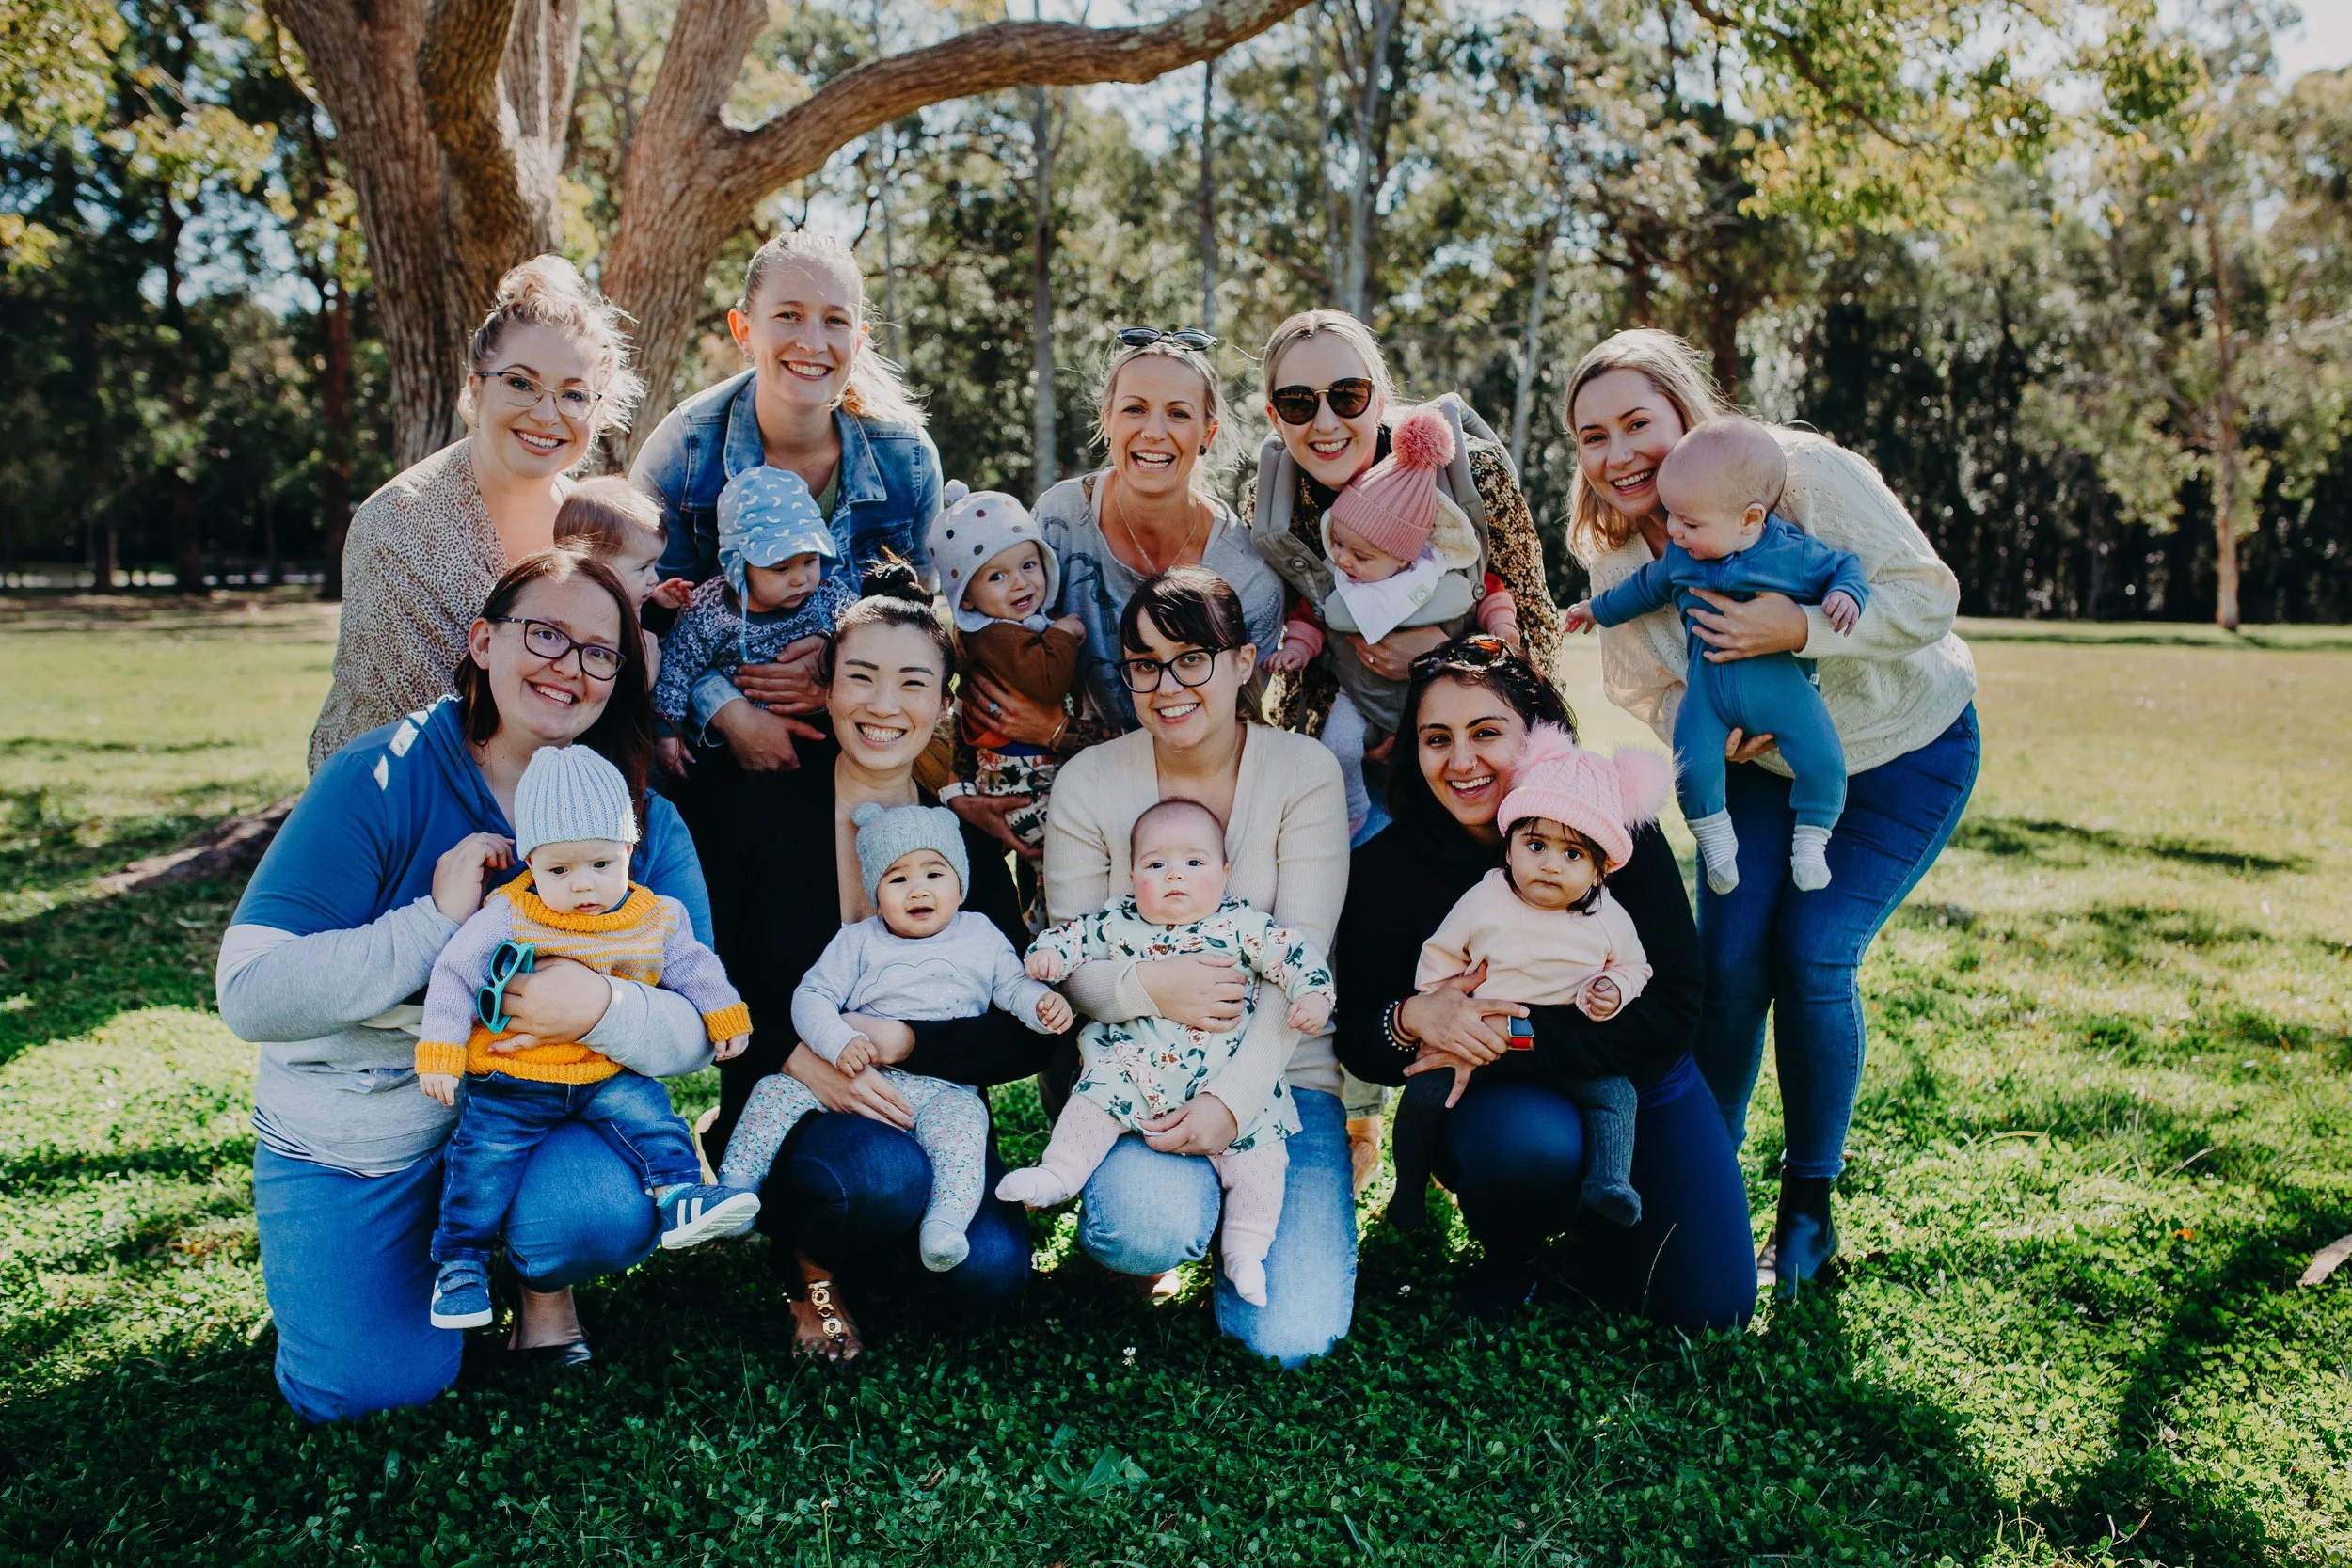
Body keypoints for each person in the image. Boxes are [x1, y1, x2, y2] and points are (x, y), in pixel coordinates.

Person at [220, 549, 713, 1419]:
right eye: (546, 634)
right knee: (370, 1388)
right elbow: (251, 992)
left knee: (594, 1211)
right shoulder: (380, 775)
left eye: (601, 652)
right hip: (366, 1126)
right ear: (484, 640)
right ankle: (362, 1271)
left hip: (532, 1115)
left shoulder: (639, 817)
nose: (571, 666)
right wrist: (434, 927)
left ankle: (533, 1276)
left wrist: (602, 1006)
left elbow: (694, 1029)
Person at [1564, 327, 1979, 1291]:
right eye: (1594, 436)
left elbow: (1927, 595)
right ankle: (1696, 1188)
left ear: (1686, 414)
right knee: (1728, 961)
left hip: (1900, 748)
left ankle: (1807, 1210)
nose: (1619, 452)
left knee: (1813, 950)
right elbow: (1636, 679)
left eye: (1638, 422)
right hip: (1759, 772)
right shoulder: (1616, 543)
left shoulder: (1799, 476)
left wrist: (1800, 628)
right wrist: (1698, 721)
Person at [1331, 634, 1756, 1331]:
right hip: (1503, 1104)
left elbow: (1676, 1001)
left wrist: (1516, 1032)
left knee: (1712, 1306)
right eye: (1437, 738)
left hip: (1634, 1072)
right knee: (1531, 1143)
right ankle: (1514, 1250)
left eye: (1486, 733)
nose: (1461, 760)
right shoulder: (1388, 870)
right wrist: (1411, 1017)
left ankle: (1603, 1215)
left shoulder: (1609, 827)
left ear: (1538, 739)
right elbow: (1361, 1035)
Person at [691, 563, 1050, 1361]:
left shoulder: (961, 845)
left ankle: (876, 1230)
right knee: (876, 1177)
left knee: (990, 1276)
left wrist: (908, 1041)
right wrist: (799, 1056)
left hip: (929, 1104)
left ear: (943, 703)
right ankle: (809, 1274)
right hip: (790, 1092)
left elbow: (1020, 1033)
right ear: (826, 687)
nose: (884, 706)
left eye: (913, 683)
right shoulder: (757, 810)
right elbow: (710, 972)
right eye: (862, 677)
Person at [1241, 308, 1563, 1190]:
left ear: (1383, 392)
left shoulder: (1461, 464)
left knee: (1483, 922)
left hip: (1473, 740)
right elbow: (1289, 625)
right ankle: (1353, 1118)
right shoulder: (1270, 491)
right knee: (1353, 923)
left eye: (1347, 394)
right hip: (1346, 736)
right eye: (1297, 402)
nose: (1325, 420)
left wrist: (1443, 674)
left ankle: (1495, 1110)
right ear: (1273, 414)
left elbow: (1526, 612)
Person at [1040, 568, 1352, 1365]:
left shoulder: (1303, 773)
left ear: (1244, 661)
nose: (1166, 684)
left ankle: (1240, 1224)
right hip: (1141, 1070)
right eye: (1144, 663)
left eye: (1192, 658)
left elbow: (1300, 961)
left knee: (1290, 1339)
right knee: (1141, 1224)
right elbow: (1073, 961)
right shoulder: (1088, 782)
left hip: (1280, 1085)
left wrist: (1229, 1101)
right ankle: (1174, 1217)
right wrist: (1147, 987)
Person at [414, 745, 758, 1329]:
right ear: (530, 864)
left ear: (629, 850)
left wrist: (724, 1013)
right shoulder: (509, 913)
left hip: (605, 1071)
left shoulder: (657, 916)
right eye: (558, 870)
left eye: (600, 865)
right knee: (481, 1161)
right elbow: (454, 974)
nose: (582, 886)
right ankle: (460, 1265)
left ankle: (680, 1198)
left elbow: (695, 968)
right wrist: (442, 1051)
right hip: (513, 1079)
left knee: (652, 1119)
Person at [958, 331, 1283, 861]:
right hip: (1071, 806)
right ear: (1106, 420)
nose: (1153, 432)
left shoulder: (1245, 576)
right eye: (1134, 408)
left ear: (1208, 432)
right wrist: (959, 786)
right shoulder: (1060, 522)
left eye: (1178, 413)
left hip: (1196, 822)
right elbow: (990, 657)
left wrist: (1059, 731)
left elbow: (1220, 747)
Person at [310, 257, 644, 769]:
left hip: (555, 812)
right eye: (520, 383)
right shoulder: (399, 525)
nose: (547, 413)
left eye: (573, 394)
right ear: (474, 388)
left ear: (596, 411)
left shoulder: (595, 526)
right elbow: (420, 734)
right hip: (397, 809)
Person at [1004, 797, 1336, 1307]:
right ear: (1132, 874)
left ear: (1226, 873)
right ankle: (1059, 1173)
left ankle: (1245, 1248)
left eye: (1194, 863)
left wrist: (1313, 994)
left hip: (1228, 1079)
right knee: (1095, 1095)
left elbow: (1294, 955)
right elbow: (1070, 938)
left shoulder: (1243, 925)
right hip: (1139, 1069)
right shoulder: (1119, 922)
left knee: (1263, 1160)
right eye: (1155, 864)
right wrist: (1049, 955)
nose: (1173, 876)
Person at [631, 231, 942, 777]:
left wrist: (835, 662)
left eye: (835, 321)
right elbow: (645, 626)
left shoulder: (907, 460)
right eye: (789, 315)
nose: (813, 341)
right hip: (717, 752)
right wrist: (725, 710)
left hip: (866, 730)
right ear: (743, 330)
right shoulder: (684, 451)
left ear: (860, 340)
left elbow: (920, 620)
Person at [712, 801, 1068, 1274]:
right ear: (876, 895)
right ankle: (737, 1190)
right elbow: (812, 995)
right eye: (897, 879)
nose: (917, 889)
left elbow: (1014, 988)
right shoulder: (858, 941)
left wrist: (1041, 1007)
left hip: (942, 1089)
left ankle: (944, 1225)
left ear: (960, 885)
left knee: (963, 1132)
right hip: (857, 1075)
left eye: (934, 874)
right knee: (773, 1093)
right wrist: (838, 1040)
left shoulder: (981, 936)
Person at [1567, 416, 1869, 894]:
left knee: (1824, 760)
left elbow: (1844, 567)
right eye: (1670, 516)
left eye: (1689, 523)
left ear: (1749, 519)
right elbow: (1643, 588)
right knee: (1692, 764)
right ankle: (1714, 838)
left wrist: (1846, 595)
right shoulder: (1683, 558)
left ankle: (1812, 841)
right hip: (1708, 694)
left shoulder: (1789, 555)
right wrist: (1596, 609)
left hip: (1783, 692)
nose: (1674, 532)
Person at [1391, 724, 1665, 1232]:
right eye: (1535, 844)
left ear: (1600, 871)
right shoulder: (1486, 899)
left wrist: (1613, 989)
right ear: (1510, 845)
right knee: (1427, 1091)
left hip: (1571, 1048)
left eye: (1573, 855)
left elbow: (1635, 966)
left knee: (1616, 1095)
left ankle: (1609, 1180)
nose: (1550, 866)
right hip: (1483, 1041)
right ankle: (1409, 1185)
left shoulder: (1605, 915)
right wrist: (1441, 1009)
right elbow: (1441, 954)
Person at [1266, 403, 1520, 840]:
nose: (1343, 559)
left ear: (1405, 557)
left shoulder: (1439, 576)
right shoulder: (1342, 580)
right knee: (1338, 748)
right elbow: (1311, 616)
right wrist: (1296, 648)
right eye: (1338, 543)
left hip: (1435, 702)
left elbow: (1490, 594)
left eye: (1361, 555)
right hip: (1357, 695)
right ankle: (1350, 809)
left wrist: (1502, 629)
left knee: (1429, 761)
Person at [650, 467, 854, 774]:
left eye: (810, 561)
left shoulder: (828, 595)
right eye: (781, 569)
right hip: (738, 746)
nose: (800, 579)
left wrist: (833, 644)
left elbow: (864, 629)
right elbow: (676, 668)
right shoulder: (709, 611)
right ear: (737, 566)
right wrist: (666, 731)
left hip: (827, 733)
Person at [928, 485, 1085, 852]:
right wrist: (1063, 636)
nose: (1019, 582)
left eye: (1028, 565)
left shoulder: (1009, 628)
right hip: (1023, 780)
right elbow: (1046, 683)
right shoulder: (994, 637)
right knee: (1068, 849)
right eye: (996, 576)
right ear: (966, 595)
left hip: (1030, 772)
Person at [553, 475, 692, 684]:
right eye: (642, 568)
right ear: (595, 567)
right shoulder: (582, 619)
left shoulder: (619, 601)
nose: (654, 578)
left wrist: (658, 606)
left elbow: (641, 625)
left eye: (654, 565)